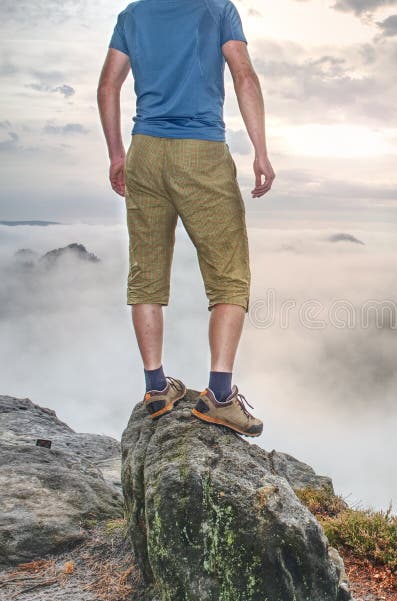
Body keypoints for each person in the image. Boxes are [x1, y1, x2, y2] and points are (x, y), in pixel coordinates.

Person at [96, 0, 274, 437]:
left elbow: (107, 87)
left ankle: (156, 387)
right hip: (201, 152)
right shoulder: (217, 10)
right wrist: (262, 152)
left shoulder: (133, 15)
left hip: (145, 151)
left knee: (146, 272)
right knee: (229, 275)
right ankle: (220, 396)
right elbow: (244, 75)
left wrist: (118, 155)